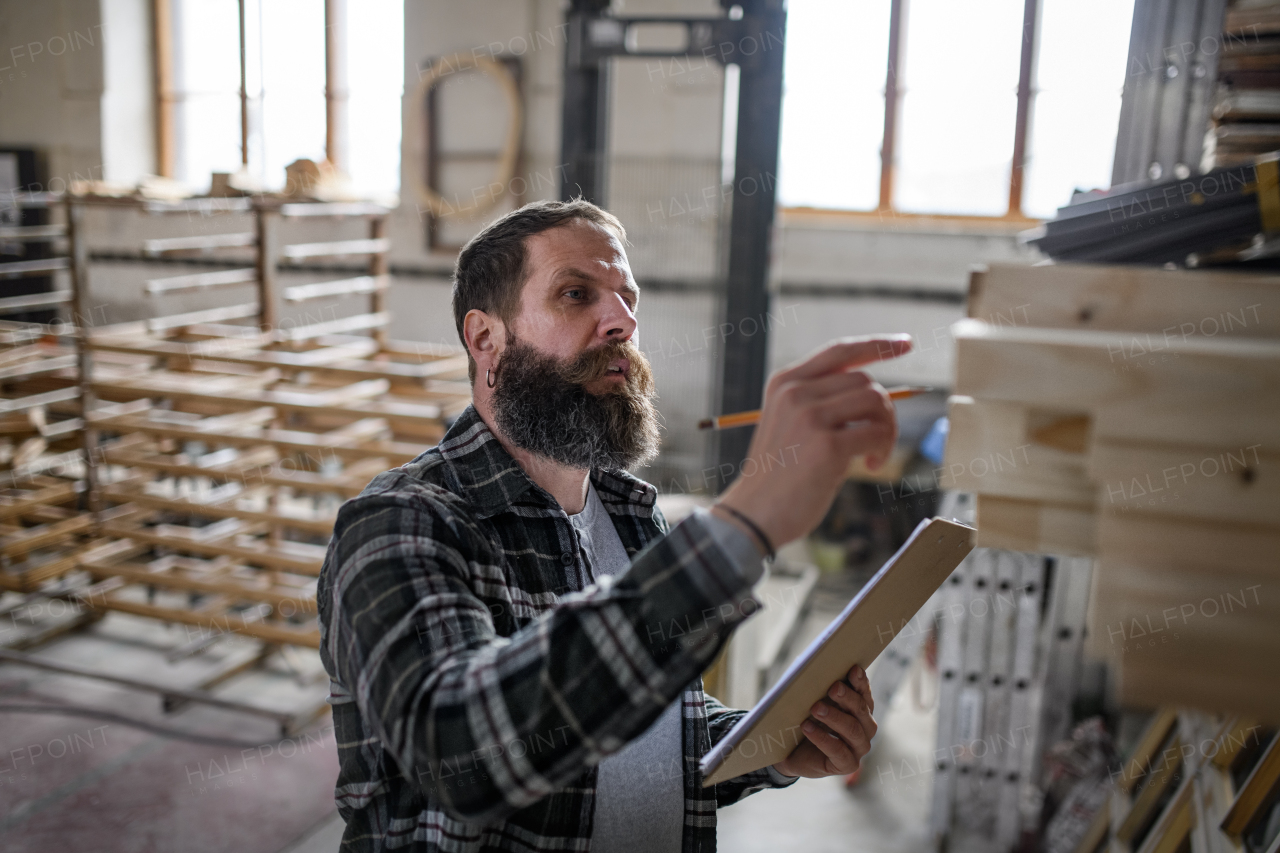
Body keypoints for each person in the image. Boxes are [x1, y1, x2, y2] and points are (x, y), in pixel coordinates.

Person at [317, 198, 914, 852]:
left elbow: (634, 744)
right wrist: (743, 525)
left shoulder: (630, 512)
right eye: (577, 294)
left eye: (628, 298)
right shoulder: (402, 521)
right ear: (485, 338)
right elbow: (462, 754)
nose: (622, 320)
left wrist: (772, 743)